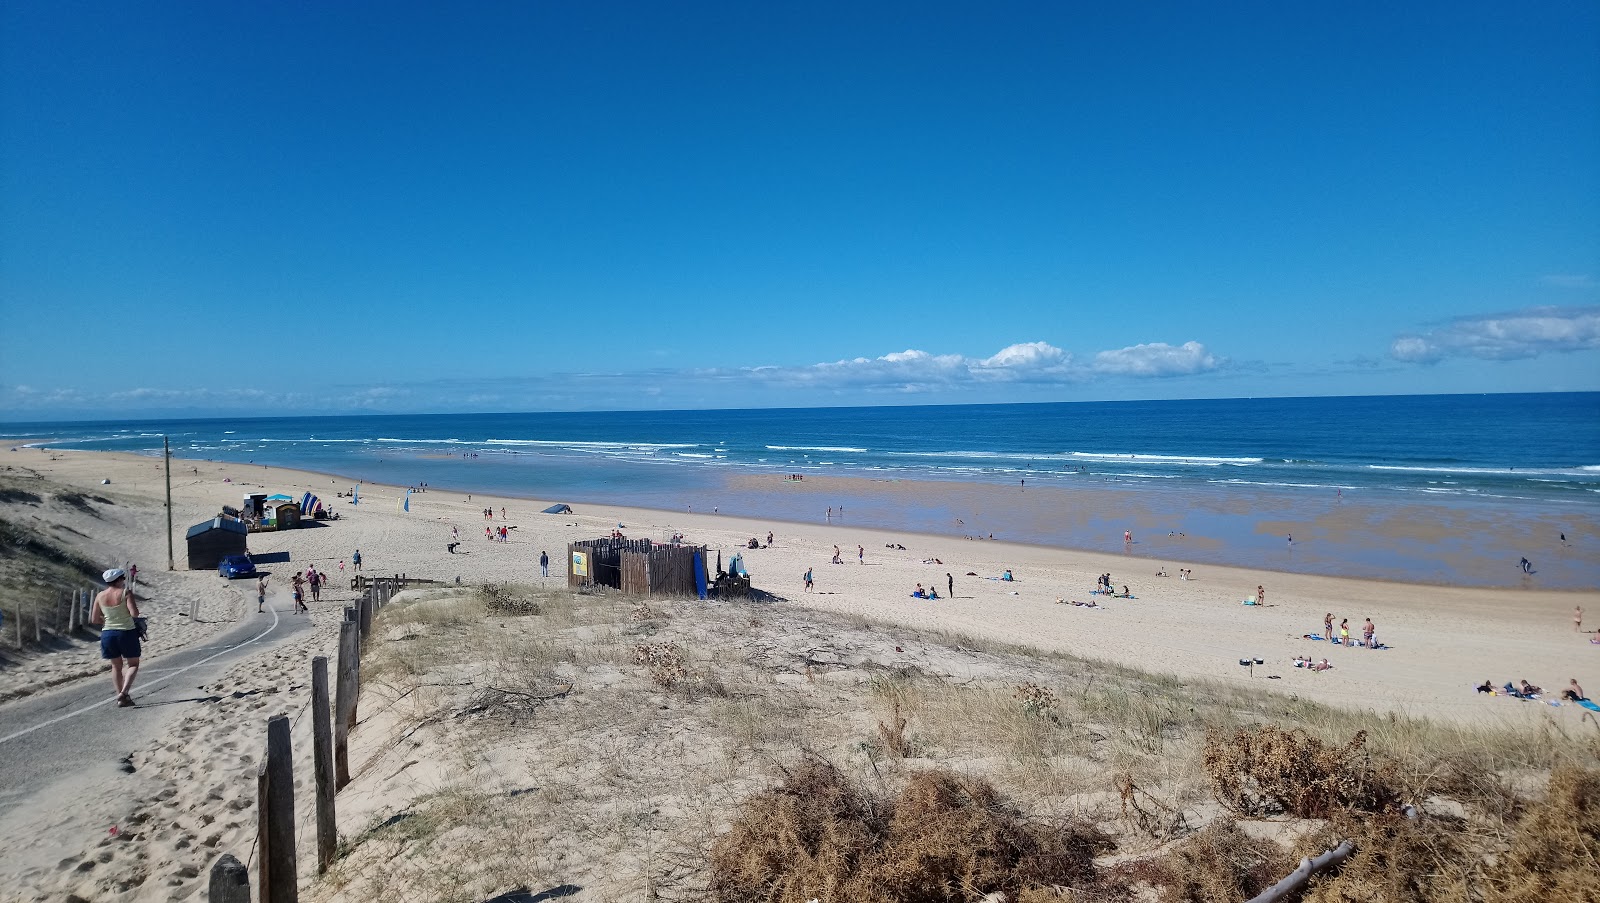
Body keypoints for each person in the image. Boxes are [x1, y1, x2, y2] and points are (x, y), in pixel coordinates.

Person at [93, 568, 143, 706]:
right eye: (123, 578)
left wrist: (109, 621)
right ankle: (124, 692)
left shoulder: (100, 596)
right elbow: (134, 613)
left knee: (116, 666)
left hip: (108, 633)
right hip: (126, 632)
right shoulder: (125, 593)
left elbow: (95, 619)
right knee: (133, 664)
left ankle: (120, 696)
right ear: (120, 579)